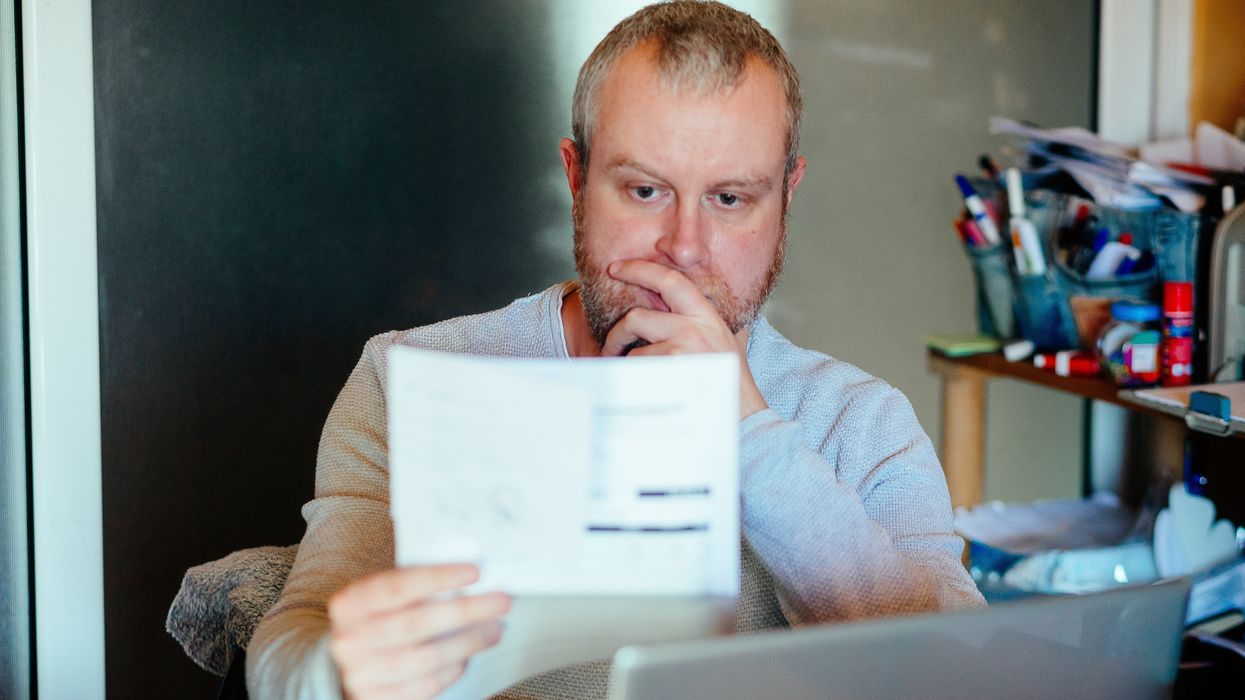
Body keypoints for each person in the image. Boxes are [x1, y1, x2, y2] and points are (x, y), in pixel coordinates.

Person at [247, 2, 985, 698]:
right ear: (575, 177)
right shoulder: (411, 377)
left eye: (730, 199)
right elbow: (291, 640)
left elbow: (958, 674)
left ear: (786, 196)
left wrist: (749, 435)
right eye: (643, 191)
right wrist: (338, 674)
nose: (684, 250)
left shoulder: (860, 423)